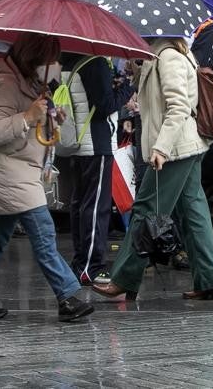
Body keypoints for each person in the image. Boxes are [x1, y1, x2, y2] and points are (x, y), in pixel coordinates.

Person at [0, 35, 95, 322]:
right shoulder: (5, 83)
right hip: (6, 173)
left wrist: (50, 117)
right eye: (53, 59)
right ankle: (68, 296)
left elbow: (31, 121)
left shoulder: (31, 81)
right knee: (43, 234)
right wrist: (28, 117)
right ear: (35, 58)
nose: (56, 65)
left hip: (17, 170)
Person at [93, 36, 213, 301]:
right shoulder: (163, 56)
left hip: (175, 149)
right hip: (183, 147)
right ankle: (209, 280)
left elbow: (178, 107)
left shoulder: (169, 57)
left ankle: (124, 278)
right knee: (192, 212)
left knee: (145, 208)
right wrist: (137, 68)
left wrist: (161, 148)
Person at [59, 53, 134, 286]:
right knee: (96, 207)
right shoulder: (96, 62)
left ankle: (81, 261)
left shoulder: (70, 60)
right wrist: (127, 90)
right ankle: (93, 266)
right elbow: (104, 106)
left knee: (80, 203)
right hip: (97, 143)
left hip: (80, 144)